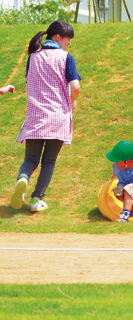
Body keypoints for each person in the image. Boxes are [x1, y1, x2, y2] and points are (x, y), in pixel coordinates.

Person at [10, 20, 81, 212]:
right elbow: (75, 87)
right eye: (68, 39)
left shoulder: (33, 57)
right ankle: (36, 200)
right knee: (48, 161)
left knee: (30, 159)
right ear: (58, 37)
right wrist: (72, 101)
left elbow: (29, 81)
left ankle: (22, 179)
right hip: (57, 117)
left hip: (35, 116)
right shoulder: (66, 57)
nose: (70, 43)